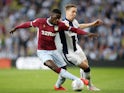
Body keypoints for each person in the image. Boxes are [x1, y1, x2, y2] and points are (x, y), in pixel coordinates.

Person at [10, 9, 98, 89]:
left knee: (63, 70)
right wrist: (16, 28)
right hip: (42, 52)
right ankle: (79, 79)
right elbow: (28, 24)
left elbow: (74, 30)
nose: (58, 20)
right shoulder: (40, 22)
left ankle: (57, 86)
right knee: (53, 66)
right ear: (51, 16)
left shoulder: (60, 25)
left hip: (54, 51)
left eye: (59, 18)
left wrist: (87, 33)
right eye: (56, 18)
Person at [54, 4, 103, 91]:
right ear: (67, 12)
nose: (74, 14)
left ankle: (87, 84)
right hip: (69, 53)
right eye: (72, 11)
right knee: (86, 68)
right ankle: (86, 84)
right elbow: (54, 27)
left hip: (77, 48)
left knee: (85, 66)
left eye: (75, 12)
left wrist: (93, 24)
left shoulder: (74, 21)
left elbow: (79, 26)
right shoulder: (62, 24)